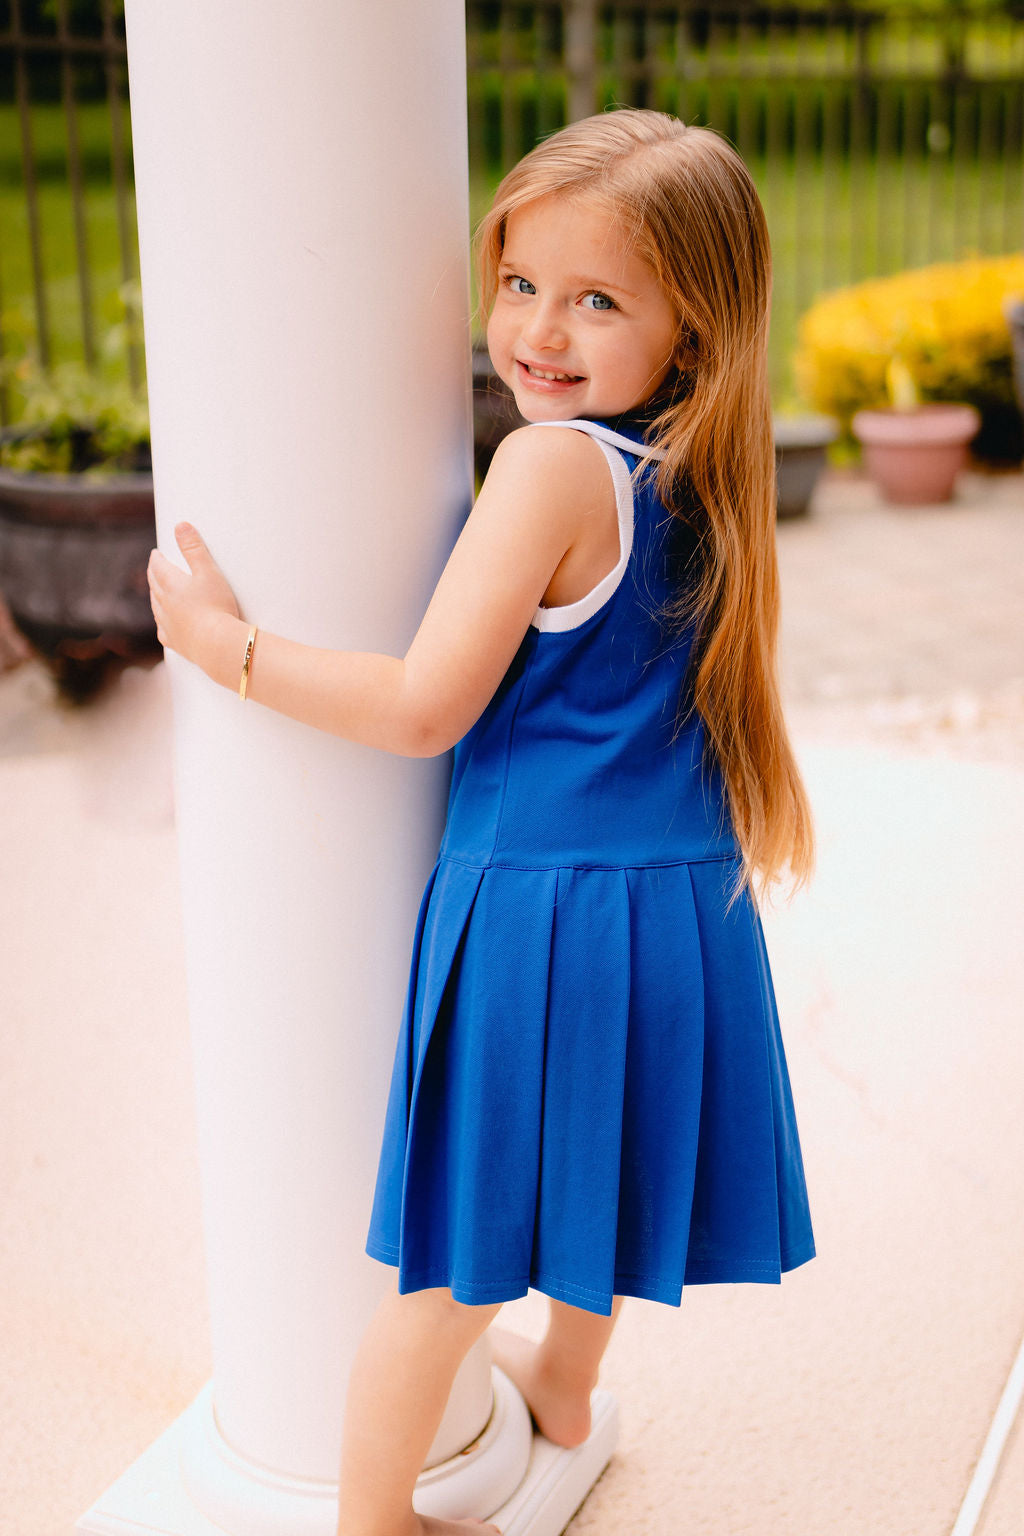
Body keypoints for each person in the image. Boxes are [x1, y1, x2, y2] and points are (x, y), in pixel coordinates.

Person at [147, 108, 816, 1536]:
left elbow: (420, 706)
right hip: (678, 903)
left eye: (596, 299)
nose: (541, 332)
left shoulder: (554, 467)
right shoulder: (702, 462)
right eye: (519, 283)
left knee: (449, 1268)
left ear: (689, 331)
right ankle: (566, 1394)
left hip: (548, 911)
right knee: (597, 1178)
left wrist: (224, 650)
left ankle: (373, 1521)